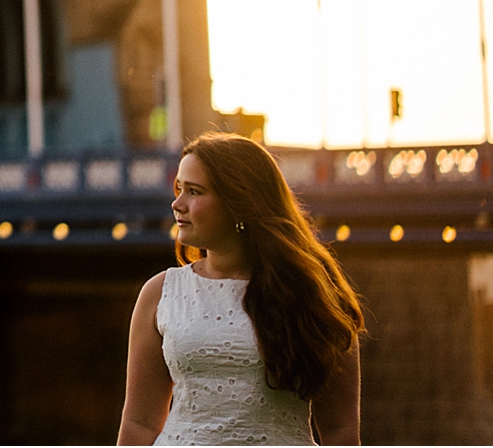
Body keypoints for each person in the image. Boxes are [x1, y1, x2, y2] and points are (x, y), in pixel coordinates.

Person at [117, 132, 364, 445]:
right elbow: (139, 423)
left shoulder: (313, 294)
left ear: (239, 201)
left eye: (194, 192)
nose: (177, 204)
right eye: (179, 189)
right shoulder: (161, 293)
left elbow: (340, 428)